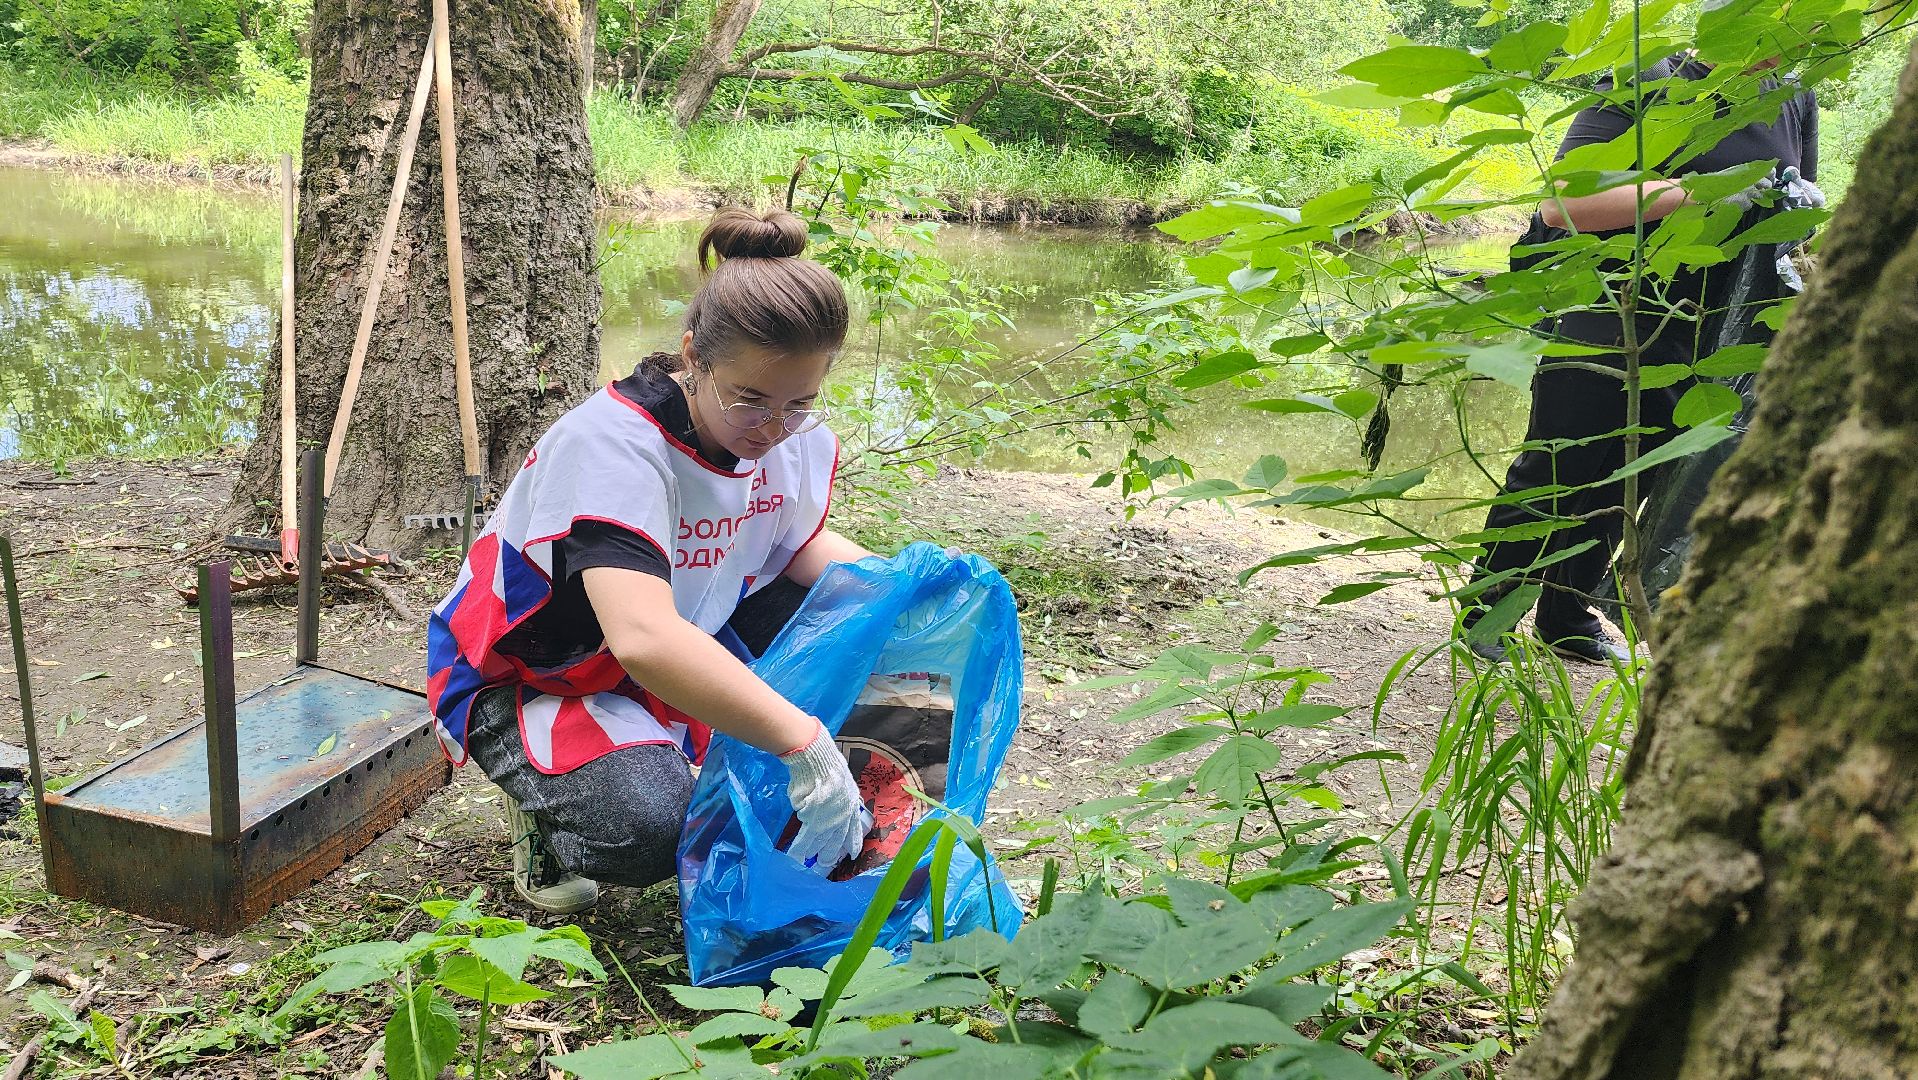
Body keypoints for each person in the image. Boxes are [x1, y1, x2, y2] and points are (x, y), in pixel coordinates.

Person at [427, 207, 882, 912]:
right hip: (540, 669)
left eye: (799, 404)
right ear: (692, 356)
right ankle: (549, 813)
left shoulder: (789, 433)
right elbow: (641, 637)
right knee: (656, 829)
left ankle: (695, 753)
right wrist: (803, 741)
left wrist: (901, 584)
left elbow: (797, 547)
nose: (772, 429)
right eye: (750, 400)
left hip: (676, 640)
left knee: (859, 616)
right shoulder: (615, 446)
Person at [1463, 52, 1820, 665]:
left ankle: (1566, 615)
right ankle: (1484, 614)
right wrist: (1699, 195)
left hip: (1709, 325)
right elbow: (1565, 203)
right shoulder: (1654, 75)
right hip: (1615, 302)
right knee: (1562, 462)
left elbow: (1794, 216)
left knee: (1638, 472)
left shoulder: (1792, 94)